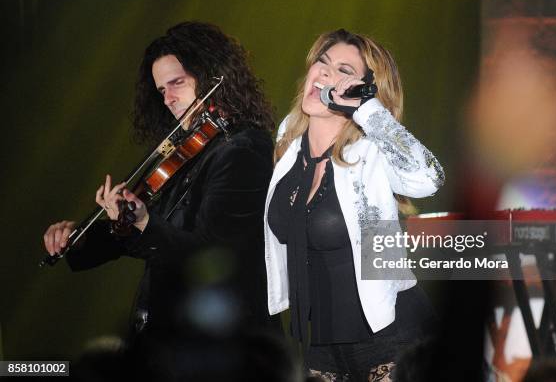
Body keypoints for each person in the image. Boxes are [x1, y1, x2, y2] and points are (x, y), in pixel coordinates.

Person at [43, 21, 279, 339]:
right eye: (161, 90)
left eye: (177, 83)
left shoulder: (244, 148)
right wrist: (79, 238)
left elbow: (215, 260)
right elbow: (147, 235)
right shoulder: (188, 152)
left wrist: (142, 222)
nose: (168, 98)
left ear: (210, 76)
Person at [265, 29, 445, 381]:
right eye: (323, 63)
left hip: (391, 336)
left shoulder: (370, 152)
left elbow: (430, 179)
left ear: (364, 90)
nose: (326, 75)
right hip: (318, 343)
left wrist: (369, 111)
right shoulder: (288, 141)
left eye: (345, 71)